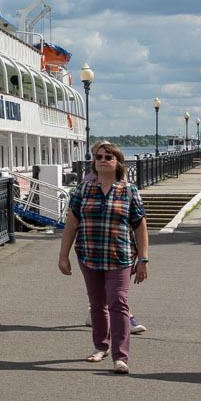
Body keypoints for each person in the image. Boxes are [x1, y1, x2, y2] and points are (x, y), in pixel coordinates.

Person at [58, 141, 150, 373]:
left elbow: (140, 227)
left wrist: (144, 259)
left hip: (121, 256)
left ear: (118, 163)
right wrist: (63, 256)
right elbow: (71, 224)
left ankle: (121, 357)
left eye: (109, 157)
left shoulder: (129, 191)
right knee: (97, 304)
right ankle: (101, 347)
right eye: (99, 157)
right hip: (88, 255)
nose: (103, 160)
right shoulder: (83, 190)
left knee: (118, 303)